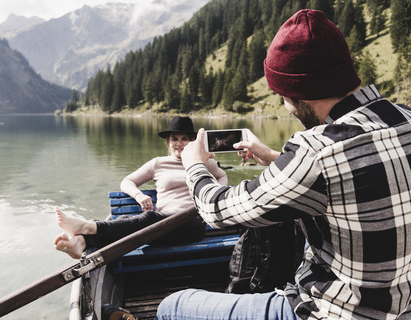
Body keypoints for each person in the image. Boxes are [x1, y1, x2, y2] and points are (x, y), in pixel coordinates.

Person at [156, 9, 411, 320]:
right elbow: (351, 180)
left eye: (283, 95)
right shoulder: (405, 118)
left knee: (173, 306)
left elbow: (216, 210)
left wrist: (194, 164)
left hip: (334, 313)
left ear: (300, 92)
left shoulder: (315, 151)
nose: (286, 107)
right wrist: (272, 158)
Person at [53, 116, 227, 260]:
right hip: (159, 228)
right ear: (168, 142)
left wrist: (214, 195)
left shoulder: (202, 161)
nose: (179, 143)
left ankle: (90, 227)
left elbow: (221, 175)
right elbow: (127, 181)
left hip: (191, 224)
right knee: (127, 220)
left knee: (147, 219)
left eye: (184, 139)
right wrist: (138, 195)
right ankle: (82, 242)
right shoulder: (157, 163)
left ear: (191, 142)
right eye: (174, 138)